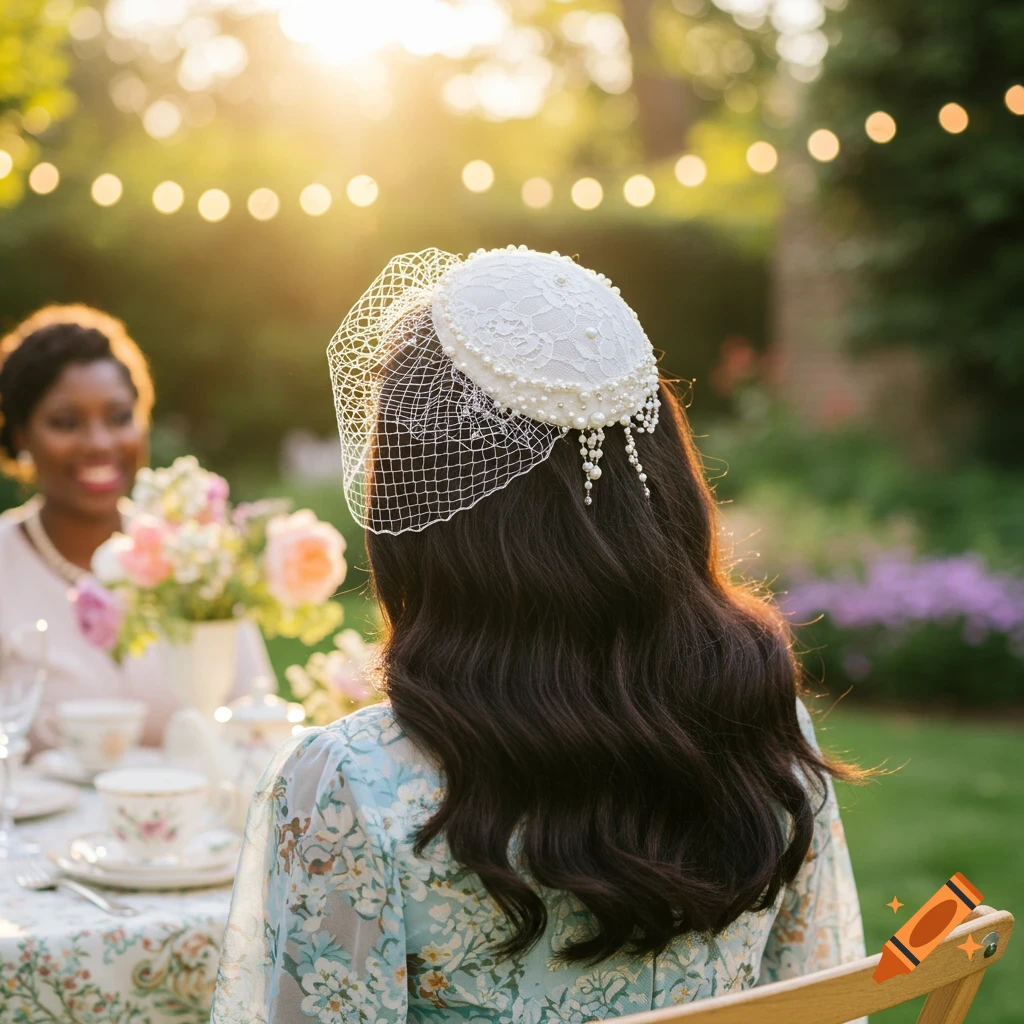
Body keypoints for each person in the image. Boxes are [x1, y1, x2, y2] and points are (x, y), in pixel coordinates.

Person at [212, 247, 866, 1023]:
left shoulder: (350, 786)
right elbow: (828, 1003)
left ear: (427, 511)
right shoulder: (763, 724)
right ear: (658, 480)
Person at [0, 304, 271, 747]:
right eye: (66, 423)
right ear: (20, 435)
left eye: (119, 417)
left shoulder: (199, 557)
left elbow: (258, 726)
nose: (100, 443)